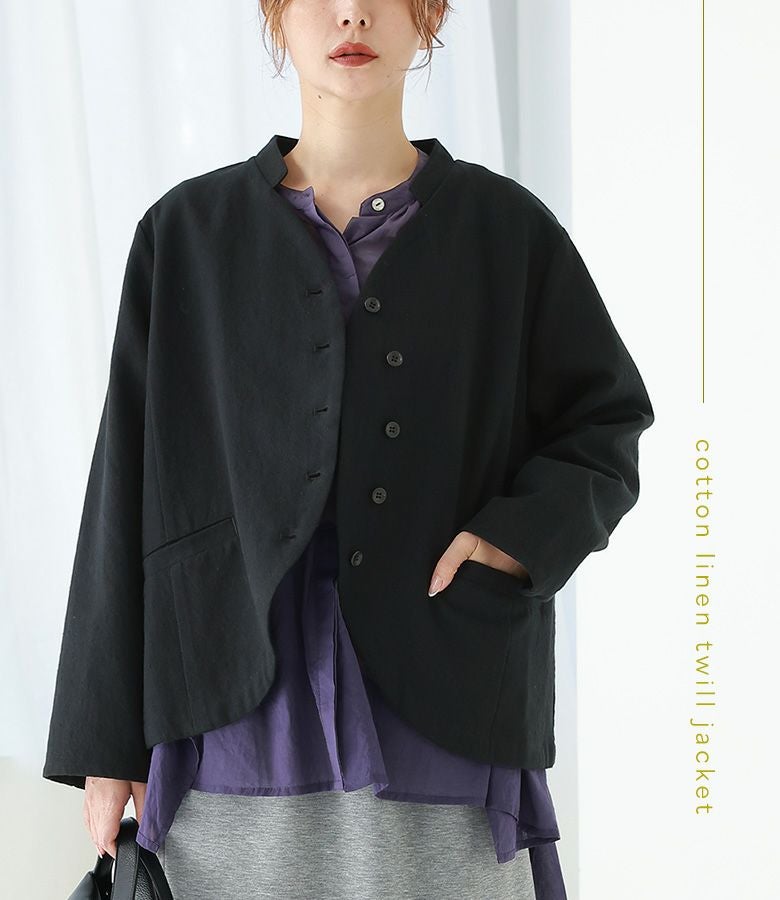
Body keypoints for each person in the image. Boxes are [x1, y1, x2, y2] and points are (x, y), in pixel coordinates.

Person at [43, 2, 655, 898]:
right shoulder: (186, 235)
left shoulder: (509, 232)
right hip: (228, 720)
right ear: (277, 14)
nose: (353, 13)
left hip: (449, 714)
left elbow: (606, 420)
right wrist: (104, 742)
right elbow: (123, 484)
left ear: (429, 14)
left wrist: (514, 541)